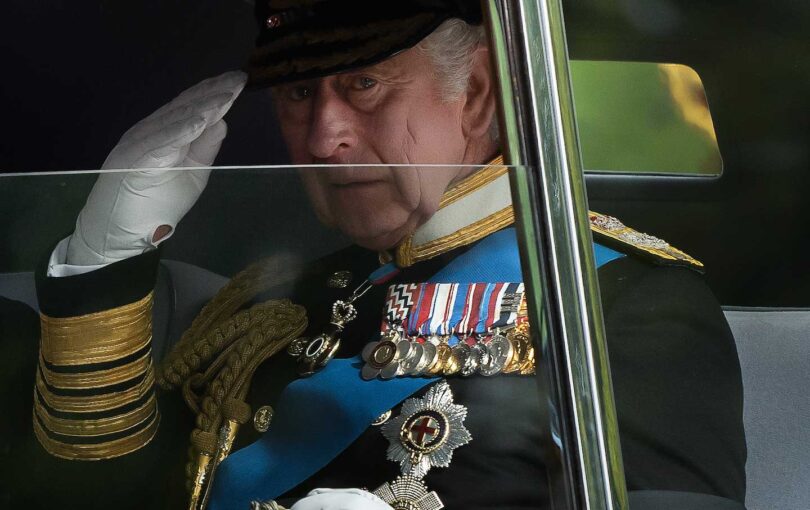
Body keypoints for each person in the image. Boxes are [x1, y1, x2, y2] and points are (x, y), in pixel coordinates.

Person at [2, 1, 747, 509]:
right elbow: (103, 492)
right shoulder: (281, 300)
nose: (324, 136)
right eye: (297, 93)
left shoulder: (615, 300)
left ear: (481, 92)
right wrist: (106, 259)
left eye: (363, 84)